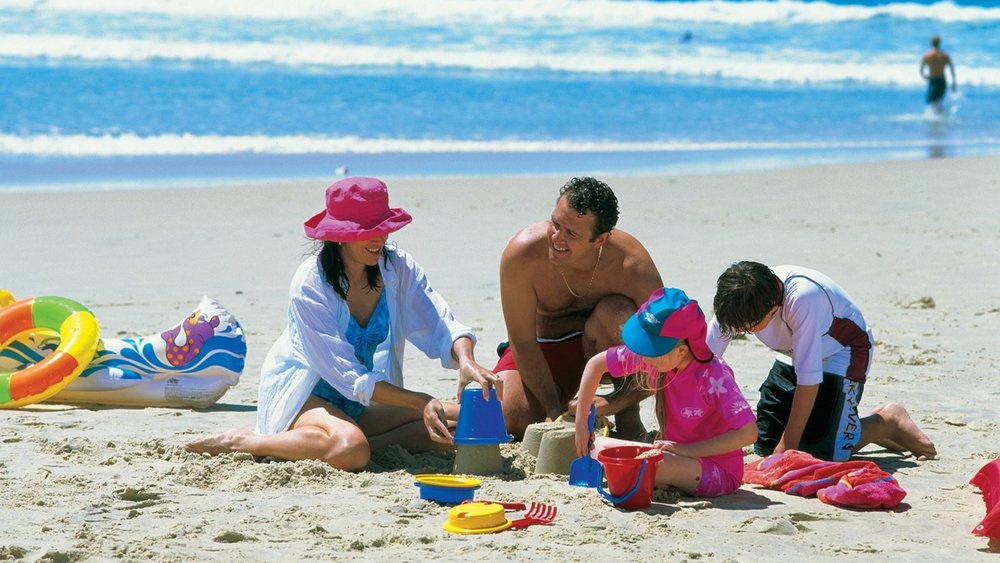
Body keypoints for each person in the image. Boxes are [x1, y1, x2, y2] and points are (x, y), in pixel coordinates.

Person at [185, 177, 499, 470]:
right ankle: (247, 440)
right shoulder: (310, 284)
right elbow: (351, 378)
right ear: (339, 235)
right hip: (303, 395)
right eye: (368, 230)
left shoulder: (397, 268)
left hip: (359, 401)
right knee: (352, 450)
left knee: (470, 420)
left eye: (384, 227)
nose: (381, 237)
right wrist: (421, 402)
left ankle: (354, 438)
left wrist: (466, 359)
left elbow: (441, 322)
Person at [707, 261, 937, 462]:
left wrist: (788, 447)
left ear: (773, 310)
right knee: (765, 446)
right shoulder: (737, 301)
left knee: (819, 453)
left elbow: (809, 379)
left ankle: (887, 422)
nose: (738, 330)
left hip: (843, 352)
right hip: (793, 352)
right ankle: (849, 428)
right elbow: (704, 363)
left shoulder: (803, 298)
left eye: (746, 328)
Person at [495, 177, 663, 441]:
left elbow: (667, 348)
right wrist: (552, 410)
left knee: (617, 315)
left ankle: (628, 415)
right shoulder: (522, 255)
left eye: (571, 234)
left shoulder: (631, 265)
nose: (556, 238)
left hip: (607, 346)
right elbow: (523, 340)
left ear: (601, 240)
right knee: (511, 419)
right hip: (544, 345)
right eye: (556, 223)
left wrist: (615, 402)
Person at [574, 288, 756, 497]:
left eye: (651, 349)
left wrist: (687, 450)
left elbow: (748, 433)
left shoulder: (713, 376)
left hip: (716, 469)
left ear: (681, 350)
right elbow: (595, 365)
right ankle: (661, 479)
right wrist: (581, 426)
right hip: (672, 455)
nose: (643, 356)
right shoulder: (657, 357)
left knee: (646, 465)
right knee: (595, 448)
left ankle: (659, 478)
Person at [921, 34, 957, 112]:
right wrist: (954, 82)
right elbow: (952, 70)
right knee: (938, 101)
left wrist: (925, 77)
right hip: (942, 81)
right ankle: (940, 118)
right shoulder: (945, 55)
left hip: (933, 80)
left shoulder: (927, 55)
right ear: (939, 43)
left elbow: (921, 71)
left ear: (931, 43)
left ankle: (935, 120)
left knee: (932, 102)